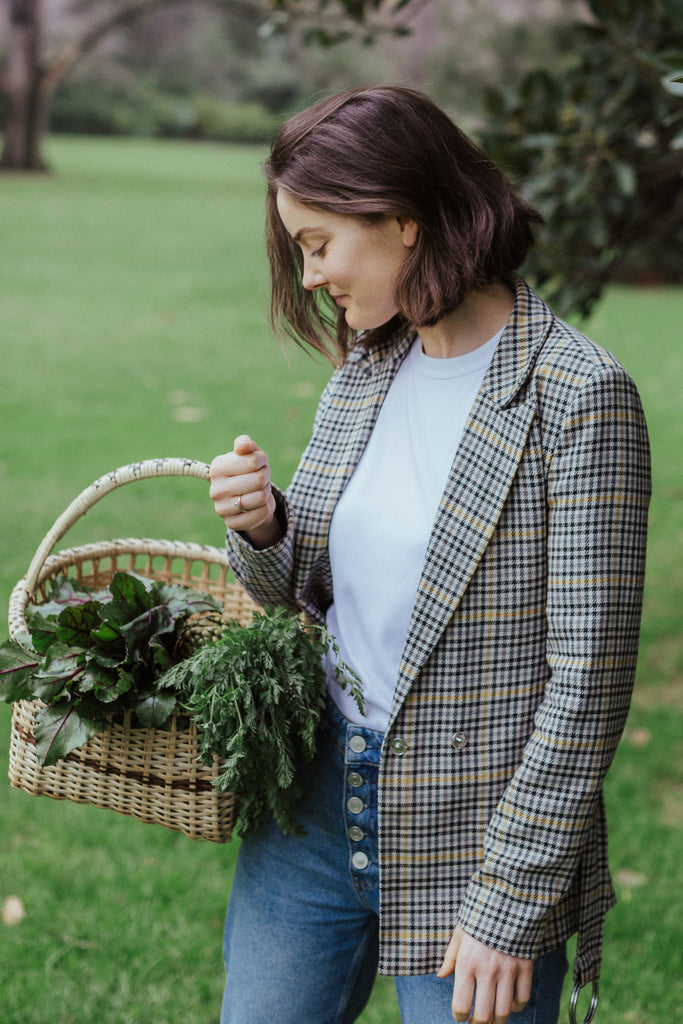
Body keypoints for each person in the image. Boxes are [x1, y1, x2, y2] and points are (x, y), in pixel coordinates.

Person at [209, 85, 651, 1024]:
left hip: (476, 832)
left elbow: (589, 680)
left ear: (403, 218)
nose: (312, 274)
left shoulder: (578, 398)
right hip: (313, 807)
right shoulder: (365, 371)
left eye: (317, 243)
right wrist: (264, 528)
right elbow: (305, 587)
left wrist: (510, 900)